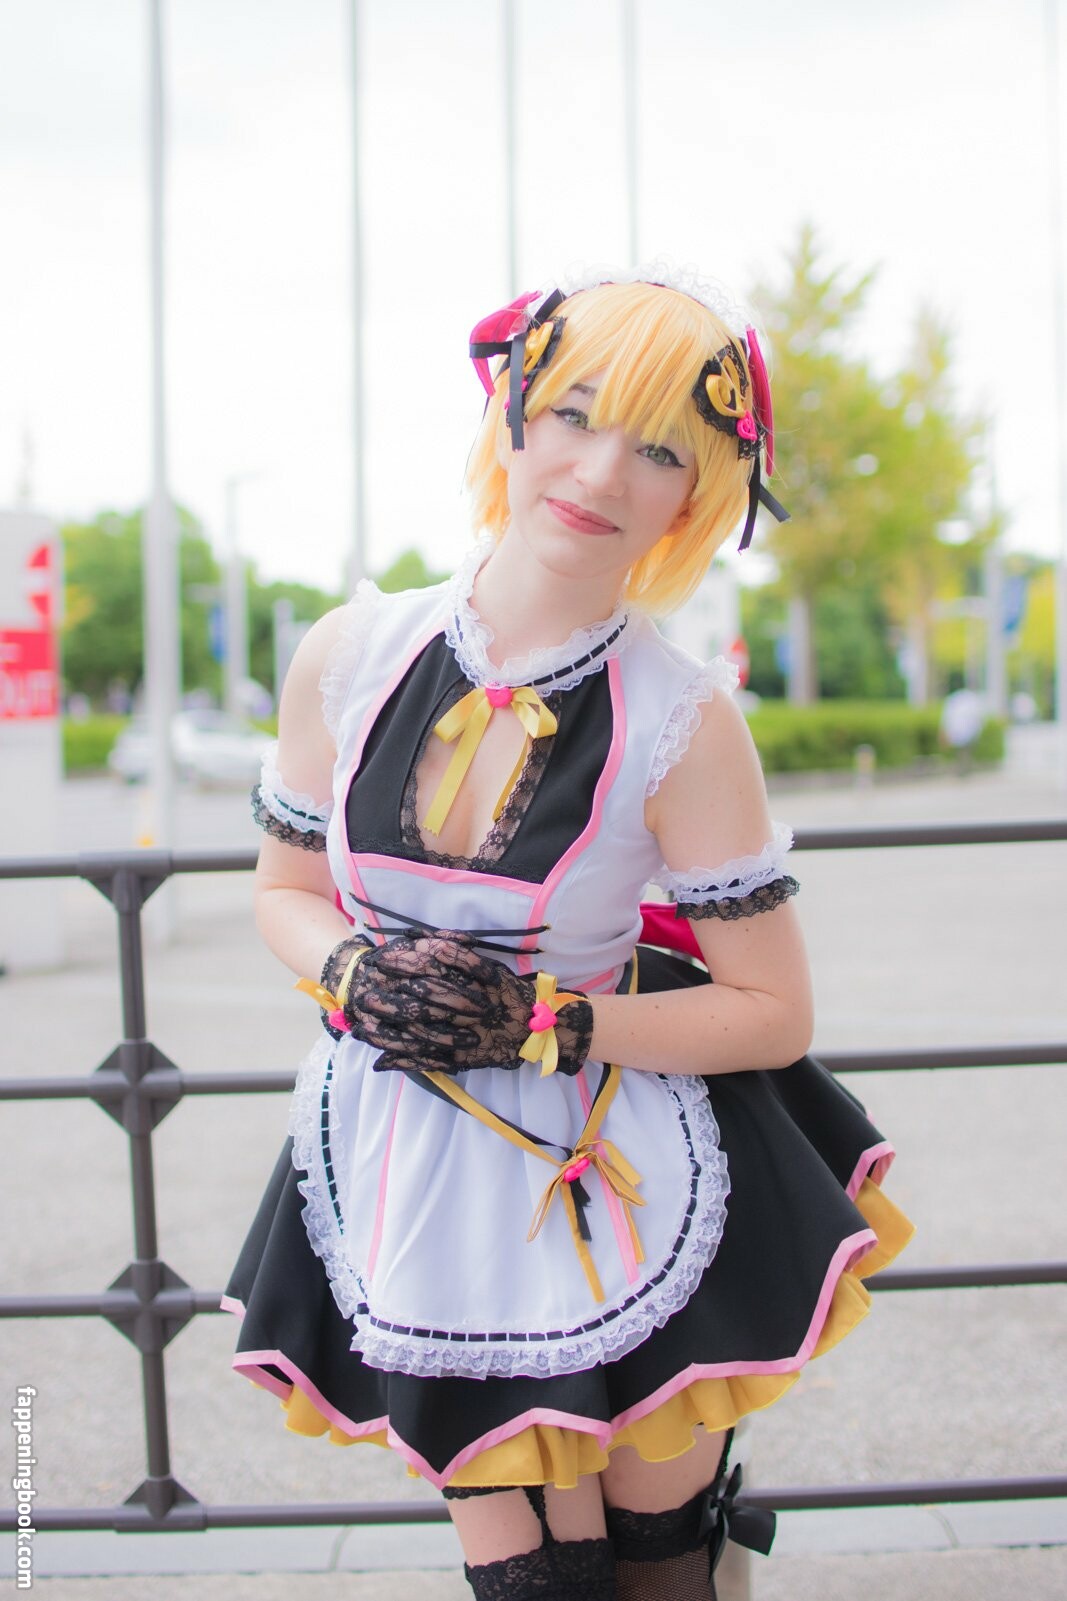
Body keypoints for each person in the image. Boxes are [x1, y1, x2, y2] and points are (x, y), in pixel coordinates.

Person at [223, 266, 912, 1600]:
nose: (599, 472)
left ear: (699, 493)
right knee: (532, 1579)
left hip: (613, 1161)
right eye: (575, 415)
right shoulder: (351, 655)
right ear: (513, 414)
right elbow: (282, 890)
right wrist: (352, 972)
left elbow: (773, 1010)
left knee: (658, 1563)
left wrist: (547, 1020)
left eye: (659, 448)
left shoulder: (681, 718)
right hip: (414, 1162)